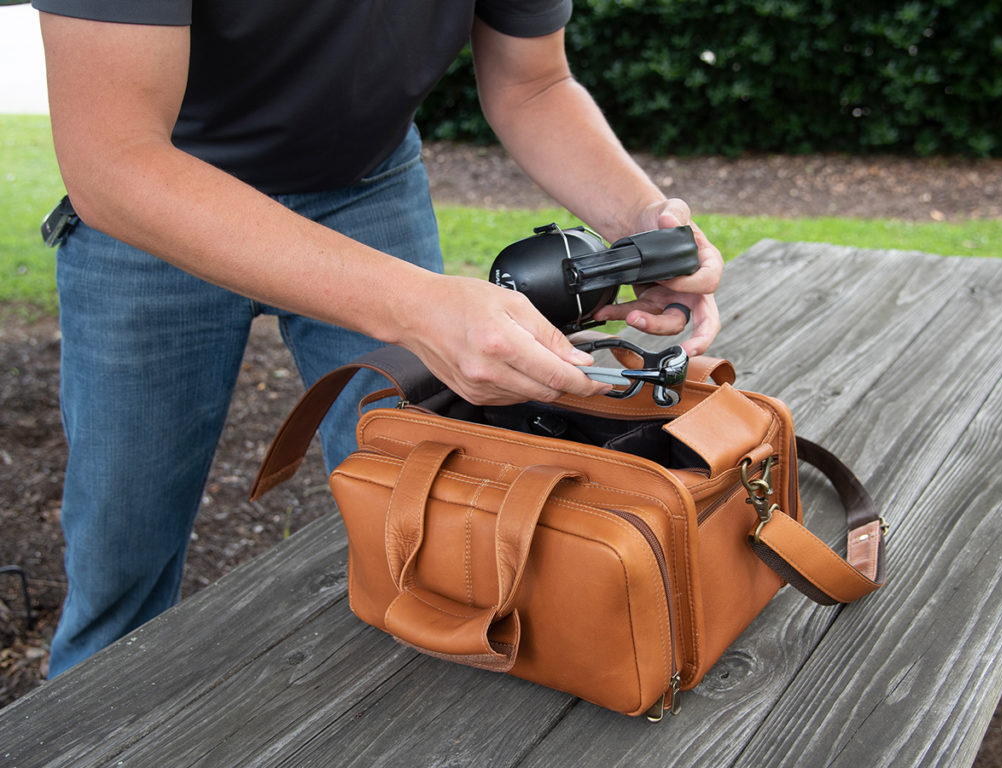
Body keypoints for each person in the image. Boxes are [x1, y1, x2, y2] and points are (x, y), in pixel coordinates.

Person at [32, 0, 724, 678]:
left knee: (431, 518)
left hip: (364, 189)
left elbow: (532, 82)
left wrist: (642, 226)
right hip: (150, 206)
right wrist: (419, 306)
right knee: (122, 550)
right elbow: (112, 157)